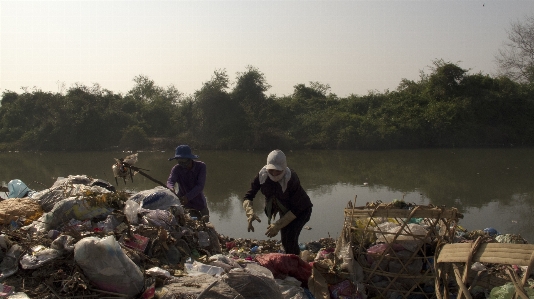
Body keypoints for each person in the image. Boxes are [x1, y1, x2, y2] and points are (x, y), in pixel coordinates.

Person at [243, 149, 313, 255]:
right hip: (285, 210)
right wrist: (249, 212)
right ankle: (292, 260)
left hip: (301, 211)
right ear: (267, 167)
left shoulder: (291, 179)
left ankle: (295, 265)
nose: (274, 173)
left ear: (284, 169)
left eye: (278, 171)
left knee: (289, 239)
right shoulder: (262, 176)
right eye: (271, 170)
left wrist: (278, 225)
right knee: (286, 240)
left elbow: (297, 208)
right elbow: (248, 196)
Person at [167, 145, 209, 220]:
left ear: (190, 159)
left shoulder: (201, 167)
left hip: (199, 205)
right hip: (184, 205)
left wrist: (187, 197)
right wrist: (170, 188)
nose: (182, 164)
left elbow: (200, 186)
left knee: (204, 226)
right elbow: (170, 181)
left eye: (184, 161)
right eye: (180, 162)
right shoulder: (177, 169)